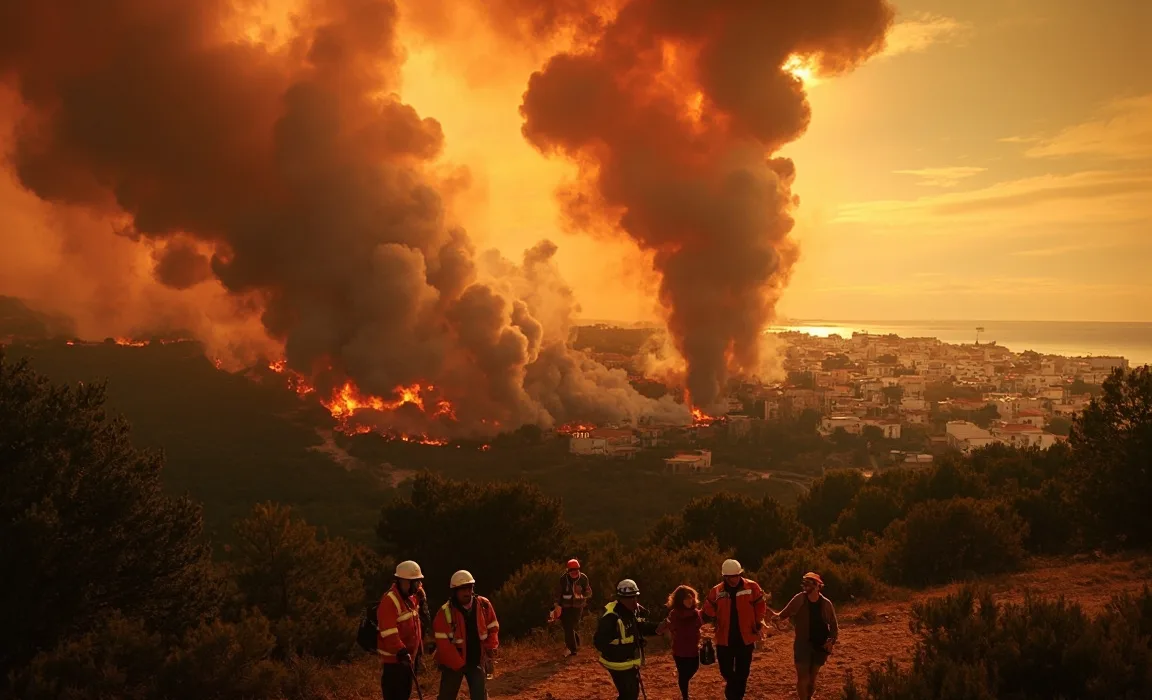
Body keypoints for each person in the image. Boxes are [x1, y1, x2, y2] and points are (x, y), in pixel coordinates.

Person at [701, 559, 767, 700]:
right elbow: (707, 608)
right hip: (724, 637)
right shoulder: (717, 590)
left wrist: (758, 621)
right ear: (725, 577)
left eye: (737, 575)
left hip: (746, 637)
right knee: (726, 671)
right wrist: (711, 615)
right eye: (731, 577)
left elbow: (760, 605)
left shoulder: (752, 587)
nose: (735, 579)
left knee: (743, 673)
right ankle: (733, 693)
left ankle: (735, 697)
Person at [433, 570, 500, 700]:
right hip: (453, 665)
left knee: (480, 696)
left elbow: (493, 628)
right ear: (455, 591)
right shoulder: (445, 612)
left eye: (469, 588)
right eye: (462, 589)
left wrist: (490, 649)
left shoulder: (484, 605)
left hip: (476, 661)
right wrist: (459, 664)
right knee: (447, 697)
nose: (467, 592)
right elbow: (443, 645)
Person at [771, 571, 839, 700]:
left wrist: (831, 641)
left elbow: (834, 627)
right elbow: (783, 614)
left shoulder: (826, 604)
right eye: (805, 583)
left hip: (820, 645)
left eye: (810, 583)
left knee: (812, 679)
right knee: (803, 678)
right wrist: (774, 616)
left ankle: (808, 697)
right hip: (803, 645)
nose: (806, 586)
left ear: (818, 586)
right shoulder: (799, 599)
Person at [593, 579, 661, 700]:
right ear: (620, 598)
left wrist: (660, 627)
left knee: (630, 694)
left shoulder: (631, 611)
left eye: (635, 597)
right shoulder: (611, 617)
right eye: (630, 598)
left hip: (628, 663)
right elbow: (599, 642)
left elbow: (640, 626)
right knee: (629, 695)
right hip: (618, 664)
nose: (634, 601)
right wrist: (619, 650)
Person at [378, 560, 426, 700]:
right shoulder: (390, 601)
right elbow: (389, 632)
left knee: (405, 695)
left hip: (408, 660)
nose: (417, 586)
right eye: (414, 582)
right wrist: (401, 650)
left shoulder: (411, 598)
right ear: (403, 581)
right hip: (394, 662)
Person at [657, 585, 704, 700]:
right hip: (679, 650)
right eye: (686, 598)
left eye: (691, 598)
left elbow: (701, 626)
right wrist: (663, 629)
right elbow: (661, 628)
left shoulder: (696, 613)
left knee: (694, 668)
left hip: (693, 649)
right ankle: (685, 696)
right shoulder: (674, 614)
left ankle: (683, 684)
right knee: (683, 675)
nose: (690, 601)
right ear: (680, 600)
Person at [554, 558, 592, 656]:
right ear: (568, 571)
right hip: (565, 606)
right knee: (568, 626)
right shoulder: (563, 579)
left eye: (576, 569)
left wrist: (582, 593)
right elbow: (558, 593)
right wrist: (557, 605)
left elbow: (589, 592)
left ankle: (574, 644)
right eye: (572, 570)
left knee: (571, 626)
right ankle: (573, 648)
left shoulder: (583, 578)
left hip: (578, 607)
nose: (574, 572)